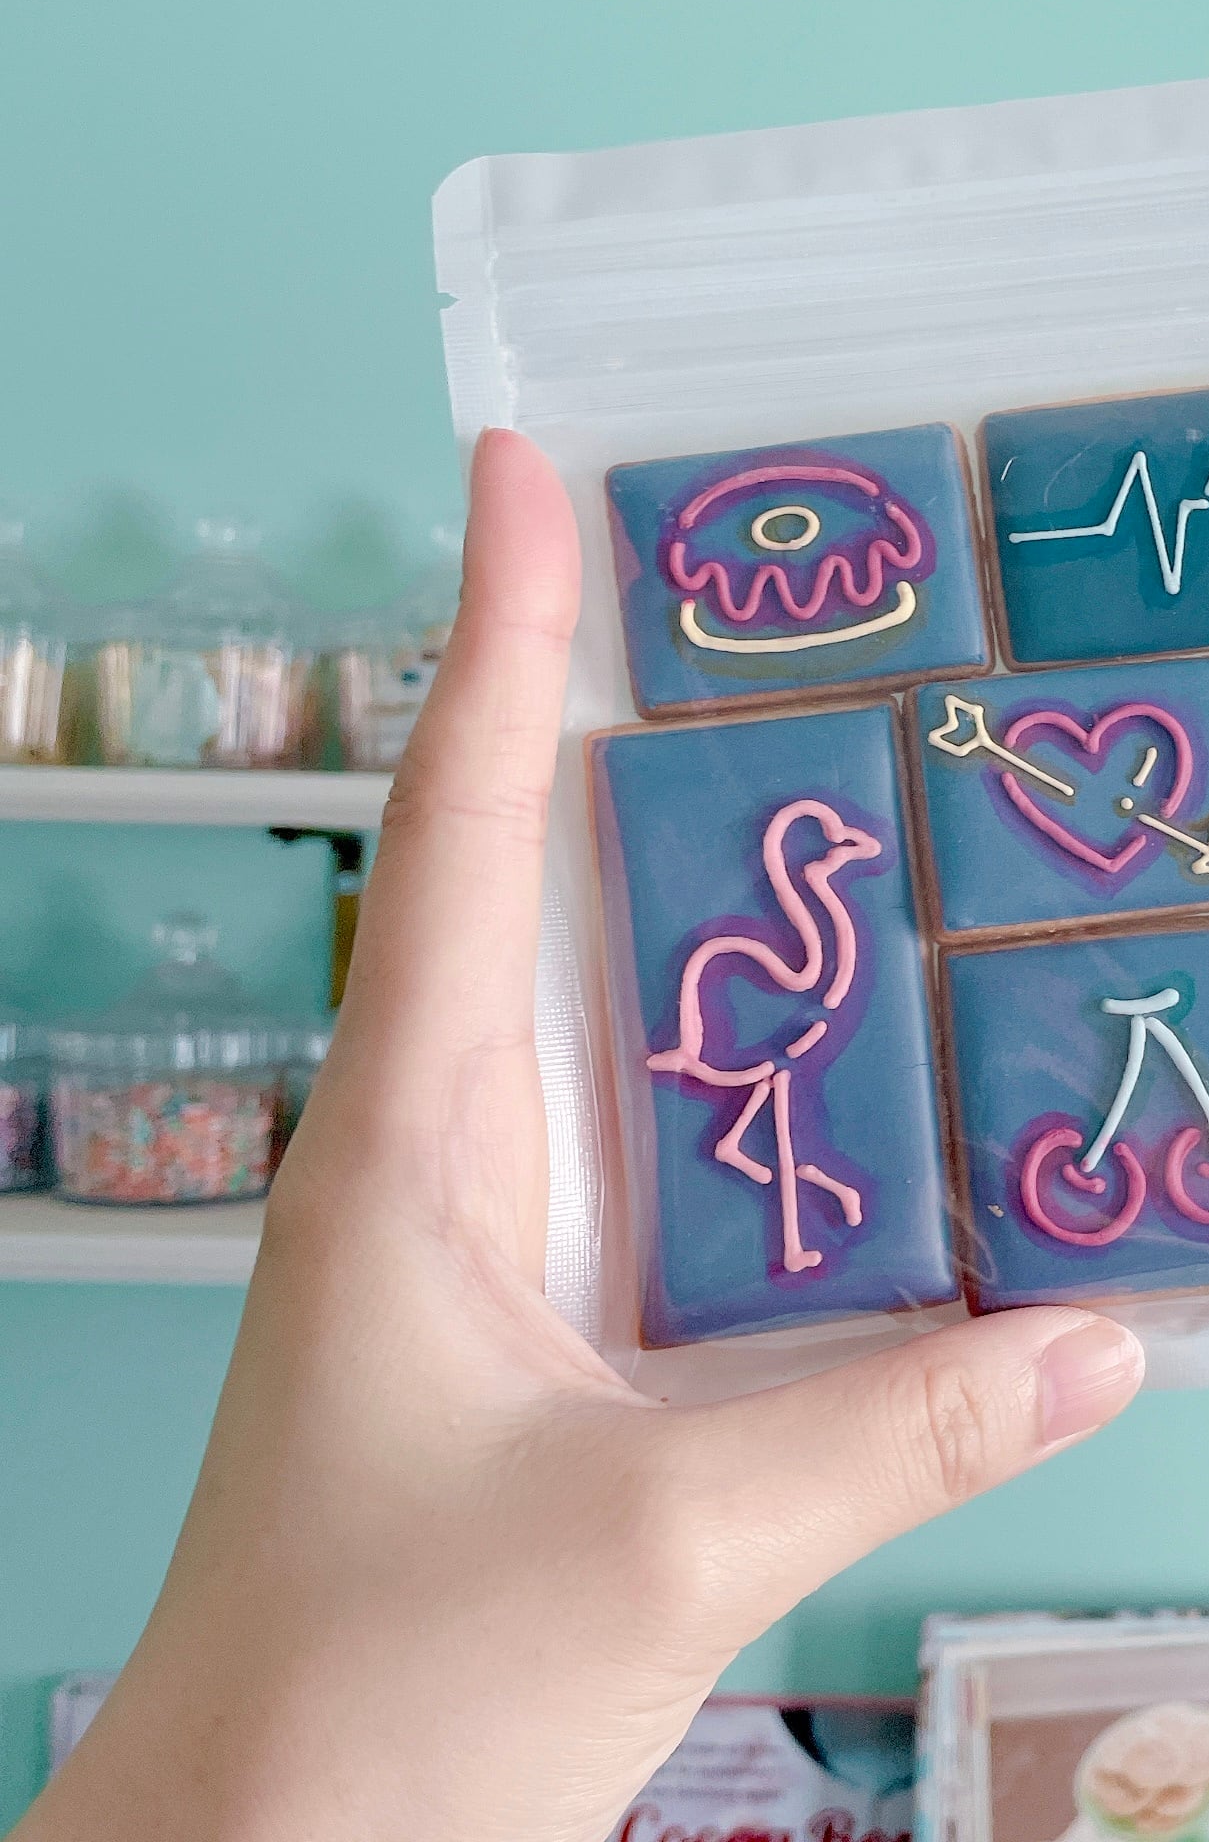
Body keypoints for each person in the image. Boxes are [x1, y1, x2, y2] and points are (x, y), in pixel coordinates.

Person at [15, 431, 1146, 1842]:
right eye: (827, 856)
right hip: (755, 1084)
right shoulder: (757, 950)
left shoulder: (815, 935)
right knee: (778, 1121)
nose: (843, 859)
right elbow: (741, 1052)